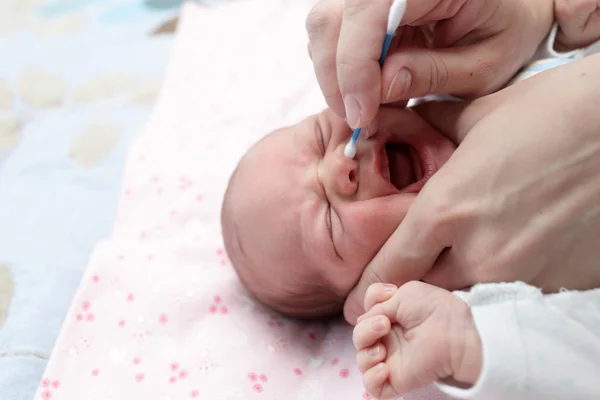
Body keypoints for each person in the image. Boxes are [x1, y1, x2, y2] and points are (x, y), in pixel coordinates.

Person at [221, 106, 455, 318]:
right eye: (329, 224)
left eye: (320, 139)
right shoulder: (455, 306)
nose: (340, 166)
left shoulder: (451, 82)